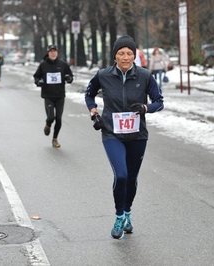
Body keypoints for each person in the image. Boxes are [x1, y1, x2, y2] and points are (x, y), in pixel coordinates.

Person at [85, 35, 164, 239]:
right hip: (112, 133)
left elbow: (159, 101)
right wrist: (94, 113)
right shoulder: (103, 75)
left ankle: (128, 212)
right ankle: (119, 216)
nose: (126, 57)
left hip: (137, 135)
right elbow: (89, 94)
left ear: (134, 55)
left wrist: (146, 107)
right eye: (121, 53)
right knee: (121, 175)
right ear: (115, 56)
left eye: (129, 53)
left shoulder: (145, 76)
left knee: (131, 178)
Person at [33, 44, 74, 148]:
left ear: (57, 52)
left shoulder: (63, 64)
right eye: (51, 51)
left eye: (55, 51)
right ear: (48, 53)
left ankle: (55, 139)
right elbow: (36, 76)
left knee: (59, 119)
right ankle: (48, 124)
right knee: (51, 116)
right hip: (48, 95)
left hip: (60, 95)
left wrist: (69, 78)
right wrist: (39, 82)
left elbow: (70, 76)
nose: (53, 53)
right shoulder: (43, 65)